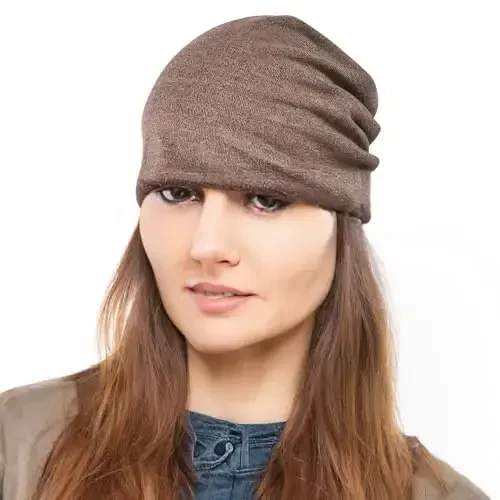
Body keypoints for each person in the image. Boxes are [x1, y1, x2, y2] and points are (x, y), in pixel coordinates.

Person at [0, 14, 490, 500]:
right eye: (178, 193)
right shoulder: (18, 444)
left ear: (341, 227)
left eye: (266, 200)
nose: (206, 246)